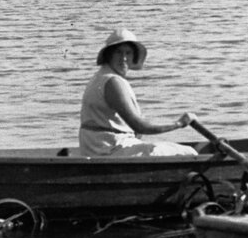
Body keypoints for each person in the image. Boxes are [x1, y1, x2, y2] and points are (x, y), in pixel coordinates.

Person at [77, 28, 199, 157]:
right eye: (118, 52)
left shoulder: (101, 76)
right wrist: (179, 124)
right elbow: (139, 126)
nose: (124, 58)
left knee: (165, 147)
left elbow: (135, 129)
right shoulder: (112, 82)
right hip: (109, 150)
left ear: (134, 56)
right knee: (190, 153)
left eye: (128, 53)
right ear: (109, 55)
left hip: (99, 148)